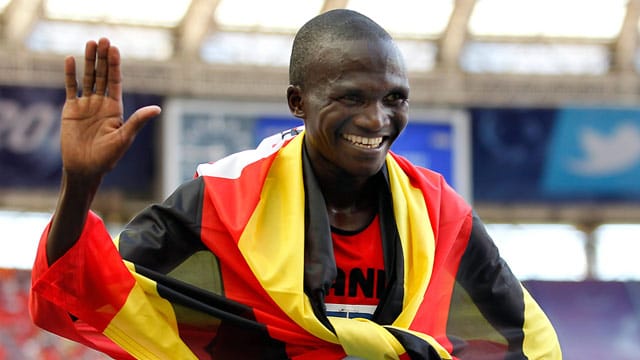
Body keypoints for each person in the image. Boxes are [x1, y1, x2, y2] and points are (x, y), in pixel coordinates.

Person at [29, 9, 561, 360]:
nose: (377, 120)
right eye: (351, 98)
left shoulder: (437, 210)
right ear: (297, 102)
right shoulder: (225, 197)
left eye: (394, 98)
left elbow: (523, 338)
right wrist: (79, 183)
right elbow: (93, 287)